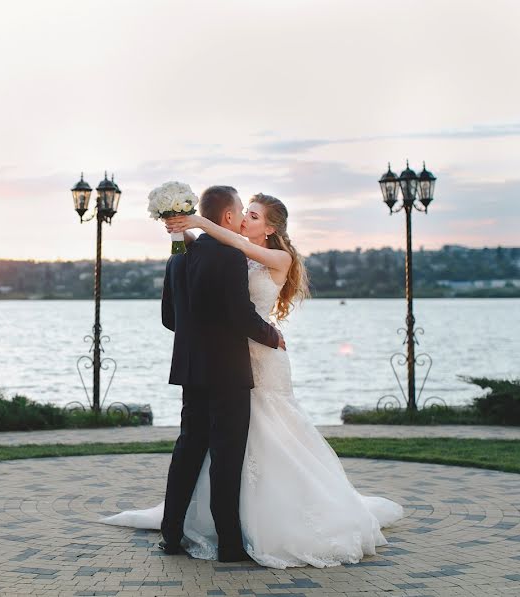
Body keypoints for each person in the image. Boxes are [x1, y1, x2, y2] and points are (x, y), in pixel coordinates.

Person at [101, 191, 404, 569]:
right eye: (244, 212)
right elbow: (226, 280)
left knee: (224, 444)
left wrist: (189, 224)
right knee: (227, 453)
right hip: (233, 362)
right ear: (230, 215)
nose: (246, 218)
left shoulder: (275, 256)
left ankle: (189, 531)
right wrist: (182, 230)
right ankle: (228, 539)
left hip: (245, 362)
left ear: (272, 227)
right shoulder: (221, 253)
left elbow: (206, 278)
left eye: (255, 215)